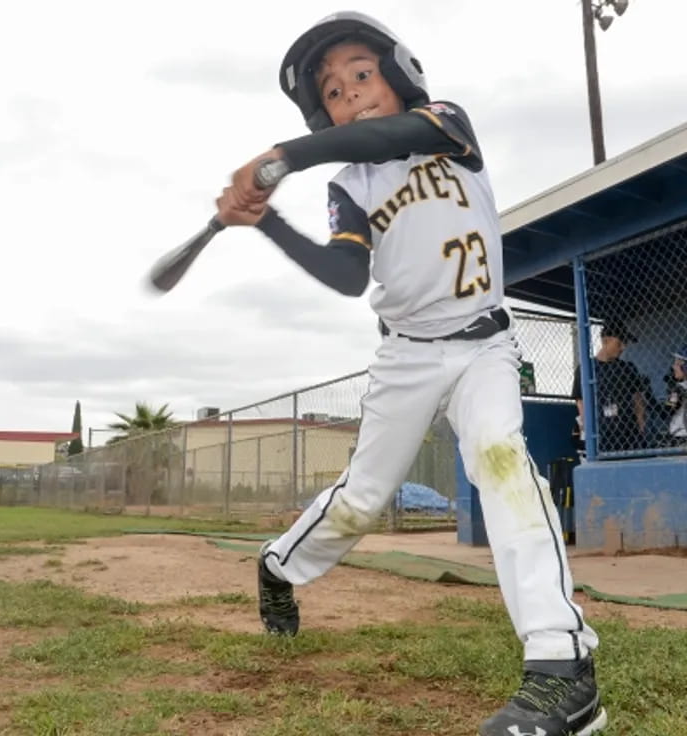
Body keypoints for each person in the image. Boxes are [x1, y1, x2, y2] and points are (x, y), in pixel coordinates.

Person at [215, 11, 606, 736]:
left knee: (503, 465)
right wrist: (264, 219)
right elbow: (343, 273)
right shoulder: (350, 184)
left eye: (362, 74)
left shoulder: (446, 125)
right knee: (362, 502)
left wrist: (278, 158)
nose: (352, 95)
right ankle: (279, 567)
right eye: (333, 91)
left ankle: (563, 665)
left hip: (485, 346)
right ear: (321, 110)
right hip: (406, 355)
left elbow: (392, 134)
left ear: (397, 73)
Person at [572, 321, 646, 453]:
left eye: (625, 344)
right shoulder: (587, 368)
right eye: (620, 343)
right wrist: (587, 428)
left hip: (628, 434)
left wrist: (641, 426)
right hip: (600, 432)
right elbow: (580, 401)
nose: (623, 347)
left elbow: (638, 400)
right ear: (606, 341)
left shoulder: (627, 368)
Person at [663, 344, 687, 446]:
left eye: (677, 363)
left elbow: (666, 411)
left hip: (683, 438)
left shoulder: (680, 388)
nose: (673, 366)